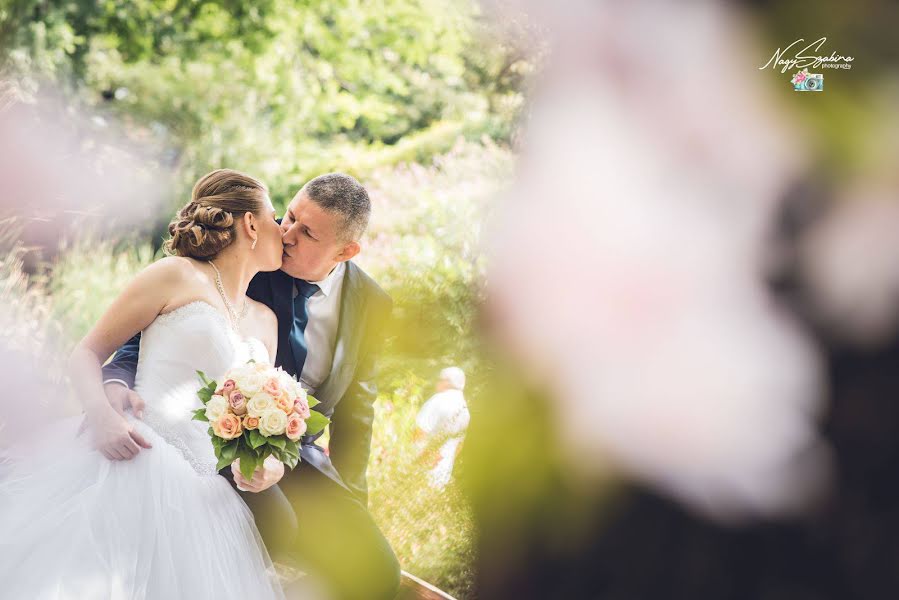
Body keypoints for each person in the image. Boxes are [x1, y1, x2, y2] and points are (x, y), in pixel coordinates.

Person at [102, 173, 400, 600]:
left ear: (346, 251)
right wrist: (115, 378)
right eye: (290, 215)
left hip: (299, 453)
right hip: (217, 440)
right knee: (278, 530)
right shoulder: (254, 261)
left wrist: (352, 506)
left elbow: (358, 414)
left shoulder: (372, 303)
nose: (287, 233)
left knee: (377, 571)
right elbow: (160, 329)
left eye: (307, 232)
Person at [0, 169, 288, 598]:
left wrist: (270, 468)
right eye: (275, 217)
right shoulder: (176, 275)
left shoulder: (266, 321)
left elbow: (256, 430)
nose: (282, 230)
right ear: (250, 223)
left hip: (207, 497)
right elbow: (85, 353)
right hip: (136, 458)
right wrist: (101, 417)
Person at [414, 367, 470, 489]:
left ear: (446, 382)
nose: (437, 383)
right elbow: (459, 446)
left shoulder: (438, 400)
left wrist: (413, 461)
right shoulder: (465, 411)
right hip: (442, 476)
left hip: (421, 472)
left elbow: (420, 431)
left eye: (439, 380)